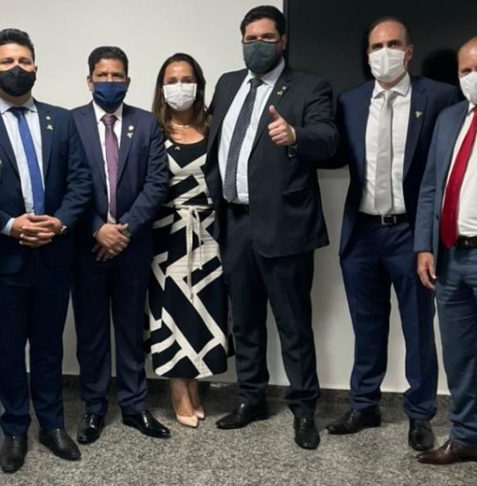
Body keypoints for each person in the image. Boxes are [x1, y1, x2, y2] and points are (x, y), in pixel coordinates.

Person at [206, 5, 338, 450]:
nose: (257, 45)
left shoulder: (309, 86)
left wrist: (296, 135)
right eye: (250, 39)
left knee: (293, 324)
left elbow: (329, 139)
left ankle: (304, 410)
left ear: (283, 41)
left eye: (266, 38)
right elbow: (216, 142)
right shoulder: (227, 84)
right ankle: (251, 398)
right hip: (234, 222)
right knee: (244, 320)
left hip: (285, 227)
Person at [326, 17, 459, 451]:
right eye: (376, 46)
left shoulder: (438, 97)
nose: (384, 52)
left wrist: (429, 238)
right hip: (362, 233)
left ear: (409, 51)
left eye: (393, 44)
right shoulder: (350, 101)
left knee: (419, 328)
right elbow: (334, 154)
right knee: (366, 325)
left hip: (411, 234)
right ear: (367, 55)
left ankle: (420, 415)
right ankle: (364, 405)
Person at [0, 28, 91, 473]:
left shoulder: (62, 120)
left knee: (49, 345)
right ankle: (15, 429)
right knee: (8, 346)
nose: (16, 69)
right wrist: (10, 225)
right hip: (6, 255)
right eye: (7, 62)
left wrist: (59, 222)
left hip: (54, 252)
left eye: (23, 61)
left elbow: (80, 181)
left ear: (36, 66)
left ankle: (52, 424)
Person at [71, 46, 170, 444]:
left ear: (128, 81)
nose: (109, 82)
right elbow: (65, 183)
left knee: (130, 330)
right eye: (102, 75)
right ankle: (94, 408)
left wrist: (122, 231)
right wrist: (97, 229)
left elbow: (157, 183)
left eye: (116, 76)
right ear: (89, 80)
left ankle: (134, 406)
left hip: (132, 247)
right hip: (86, 247)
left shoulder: (147, 124)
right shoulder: (71, 123)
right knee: (91, 332)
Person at [147, 53, 232, 428]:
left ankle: (195, 385)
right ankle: (177, 390)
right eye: (172, 80)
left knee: (205, 310)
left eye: (186, 79)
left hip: (210, 234)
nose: (179, 87)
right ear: (161, 87)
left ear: (199, 85)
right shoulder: (152, 130)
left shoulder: (215, 127)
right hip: (166, 235)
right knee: (171, 313)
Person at [414, 35, 477, 465]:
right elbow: (431, 187)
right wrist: (424, 245)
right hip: (451, 257)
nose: (471, 78)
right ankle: (467, 437)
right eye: (465, 71)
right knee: (459, 356)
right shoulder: (450, 117)